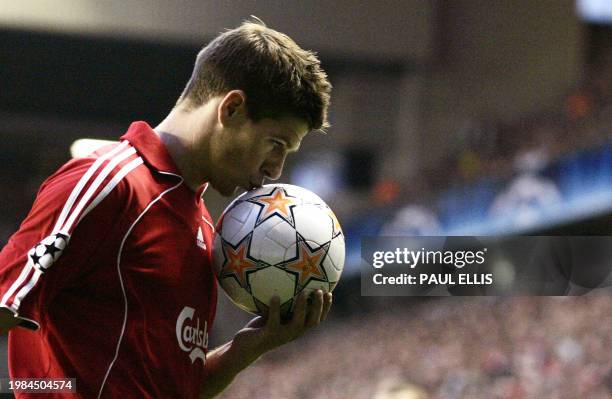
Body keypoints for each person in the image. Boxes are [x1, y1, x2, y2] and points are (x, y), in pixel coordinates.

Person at [0, 19, 332, 398]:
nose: (275, 170)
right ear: (232, 108)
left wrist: (247, 348)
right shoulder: (111, 184)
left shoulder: (205, 227)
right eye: (275, 143)